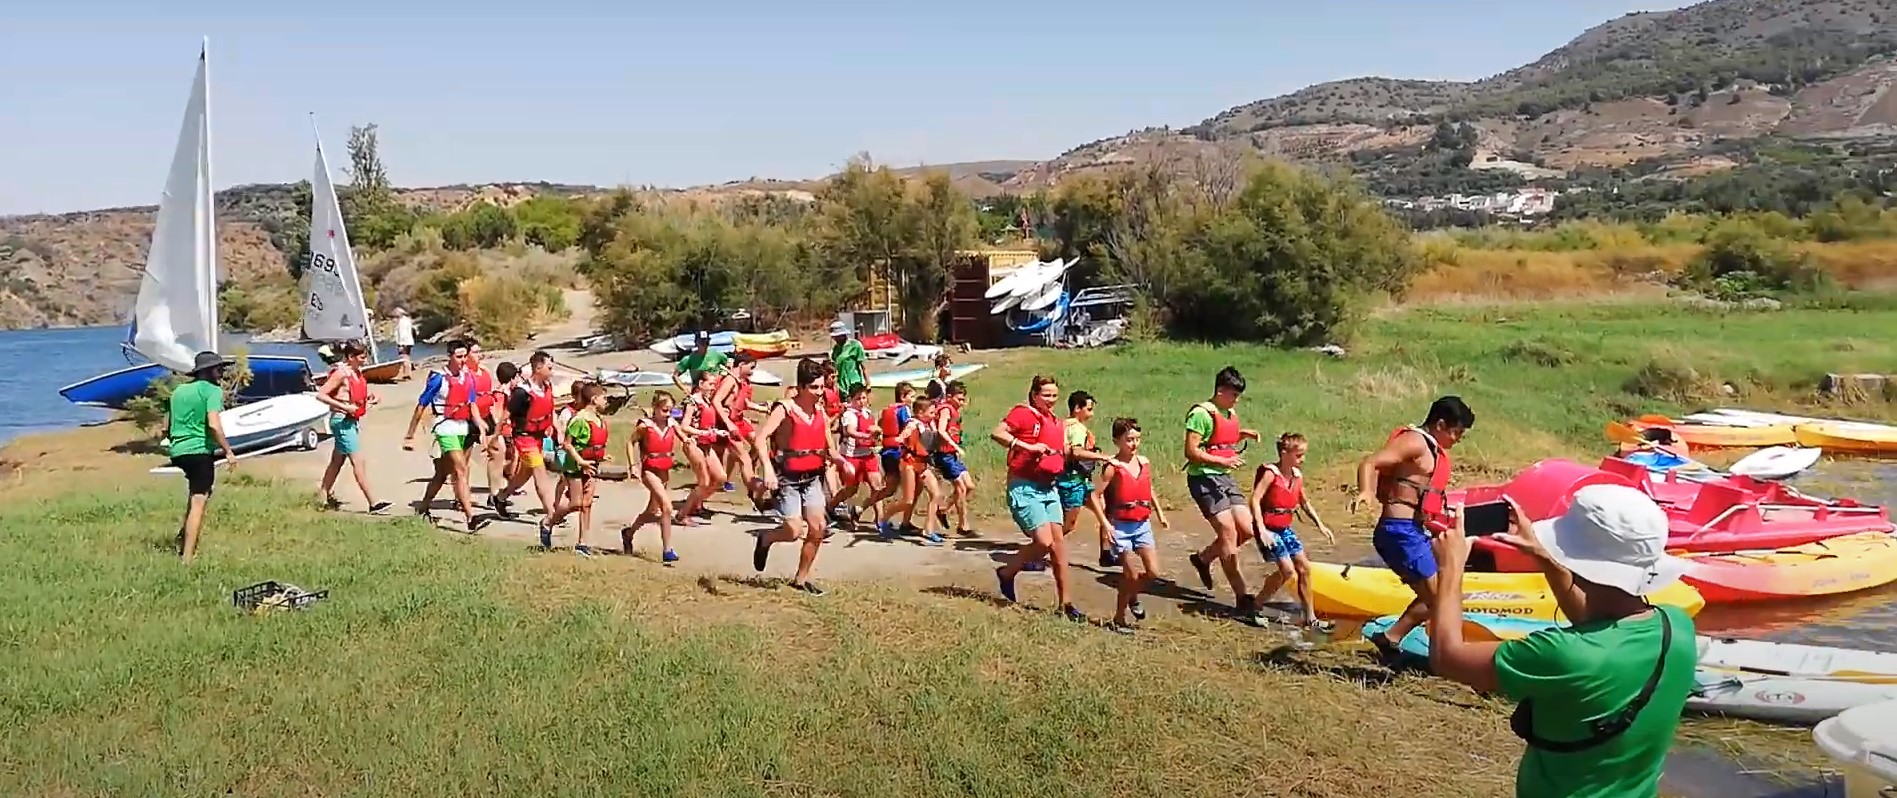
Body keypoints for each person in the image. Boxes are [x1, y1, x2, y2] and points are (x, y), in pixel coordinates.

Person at [1427, 486, 1695, 798]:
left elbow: (1448, 656)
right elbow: (1595, 623)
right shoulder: (1677, 625)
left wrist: (1451, 570)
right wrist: (1544, 556)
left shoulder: (1563, 655)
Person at [1350, 395, 1476, 659]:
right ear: (1440, 424)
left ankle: (1390, 637)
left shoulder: (1431, 450)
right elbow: (1370, 462)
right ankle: (1450, 658)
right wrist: (1366, 491)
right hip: (1399, 531)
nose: (1457, 440)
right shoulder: (1414, 442)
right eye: (1456, 433)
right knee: (1441, 597)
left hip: (1415, 532)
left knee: (1444, 594)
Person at [992, 374, 1085, 623]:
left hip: (1049, 489)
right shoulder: (1023, 413)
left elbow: (1063, 450)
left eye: (1054, 395)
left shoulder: (1055, 421)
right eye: (1046, 395)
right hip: (1024, 487)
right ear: (1034, 394)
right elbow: (998, 433)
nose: (1051, 400)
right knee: (1043, 542)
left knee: (1058, 547)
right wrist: (1027, 447)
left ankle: (1066, 604)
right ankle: (1007, 572)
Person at [752, 358, 849, 595]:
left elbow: (830, 447)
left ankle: (801, 580)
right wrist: (767, 468)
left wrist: (841, 461)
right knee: (794, 530)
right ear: (802, 387)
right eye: (814, 388)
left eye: (822, 387)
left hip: (812, 477)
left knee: (818, 528)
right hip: (787, 478)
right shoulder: (784, 409)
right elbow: (760, 438)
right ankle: (766, 539)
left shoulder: (820, 412)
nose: (820, 392)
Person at [1182, 366, 1264, 623]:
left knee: (1247, 529)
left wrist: (1243, 433)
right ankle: (1243, 597)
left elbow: (1220, 438)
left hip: (1224, 477)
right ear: (1220, 391)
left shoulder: (1228, 412)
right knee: (1228, 534)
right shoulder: (1199, 414)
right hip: (1204, 478)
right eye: (1233, 394)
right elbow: (1191, 452)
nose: (1236, 400)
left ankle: (1204, 558)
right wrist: (1222, 463)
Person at [1246, 433, 1336, 633]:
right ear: (1284, 453)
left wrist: (1320, 525)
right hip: (1269, 527)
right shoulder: (1271, 473)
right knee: (1287, 570)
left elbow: (1304, 502)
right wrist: (1261, 529)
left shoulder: (1296, 475)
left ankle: (1310, 618)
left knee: (1304, 568)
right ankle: (1256, 605)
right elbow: (1254, 499)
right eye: (1298, 455)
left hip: (1285, 528)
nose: (1302, 460)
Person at [403, 339, 491, 531]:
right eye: (458, 357)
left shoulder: (467, 377)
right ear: (450, 357)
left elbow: (472, 403)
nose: (462, 361)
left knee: (442, 474)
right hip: (444, 427)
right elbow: (422, 405)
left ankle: (423, 507)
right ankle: (471, 518)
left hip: (462, 427)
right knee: (461, 469)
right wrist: (410, 434)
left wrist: (481, 426)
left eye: (464, 357)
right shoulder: (439, 378)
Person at [1097, 417, 1166, 634]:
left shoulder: (1144, 462)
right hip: (1121, 526)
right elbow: (1094, 495)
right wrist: (1105, 523)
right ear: (1117, 441)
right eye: (1129, 439)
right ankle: (1119, 618)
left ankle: (1131, 594)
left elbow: (1148, 487)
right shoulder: (1112, 468)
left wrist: (1160, 512)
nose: (1134, 444)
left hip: (1142, 523)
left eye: (1137, 439)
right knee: (1131, 574)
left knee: (1153, 572)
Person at [168, 351, 239, 563]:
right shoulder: (212, 391)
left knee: (195, 494)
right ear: (208, 371)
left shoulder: (179, 391)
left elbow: (168, 423)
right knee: (200, 500)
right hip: (199, 451)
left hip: (178, 451)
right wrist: (228, 451)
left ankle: (183, 536)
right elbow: (213, 424)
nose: (222, 373)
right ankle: (187, 558)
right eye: (219, 369)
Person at [313, 340, 390, 514]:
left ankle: (322, 495)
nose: (365, 360)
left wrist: (371, 397)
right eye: (362, 357)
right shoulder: (340, 373)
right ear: (351, 357)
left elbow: (356, 393)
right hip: (341, 420)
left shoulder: (356, 372)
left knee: (336, 462)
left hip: (351, 421)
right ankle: (373, 502)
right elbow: (321, 395)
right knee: (358, 461)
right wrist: (345, 407)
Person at [498, 352, 562, 536]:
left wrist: (558, 431)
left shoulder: (547, 387)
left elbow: (551, 411)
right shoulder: (522, 392)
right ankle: (551, 512)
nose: (552, 371)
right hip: (524, 437)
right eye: (549, 368)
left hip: (540, 436)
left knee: (524, 475)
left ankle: (500, 497)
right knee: (540, 471)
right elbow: (506, 415)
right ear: (537, 368)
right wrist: (494, 436)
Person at [546, 383, 610, 556]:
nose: (607, 402)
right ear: (594, 399)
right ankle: (548, 522)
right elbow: (567, 444)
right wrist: (581, 461)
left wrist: (600, 457)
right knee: (576, 503)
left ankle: (582, 543)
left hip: (591, 465)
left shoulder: (600, 420)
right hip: (575, 466)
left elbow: (592, 443)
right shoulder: (579, 419)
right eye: (604, 398)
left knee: (587, 504)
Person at [1056, 390, 1116, 568]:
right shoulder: (1076, 428)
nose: (1092, 414)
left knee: (1105, 511)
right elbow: (1076, 452)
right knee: (1068, 525)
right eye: (1088, 409)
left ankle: (1106, 553)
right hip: (1072, 481)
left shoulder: (1065, 425)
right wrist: (1102, 457)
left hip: (1081, 481)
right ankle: (1037, 552)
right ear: (1077, 408)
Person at [622, 390, 681, 564]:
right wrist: (633, 465)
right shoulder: (645, 426)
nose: (667, 414)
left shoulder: (672, 424)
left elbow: (684, 435)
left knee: (651, 512)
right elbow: (630, 443)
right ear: (655, 408)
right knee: (667, 508)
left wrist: (689, 440)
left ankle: (629, 533)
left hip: (664, 472)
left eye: (670, 410)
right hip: (649, 470)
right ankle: (667, 550)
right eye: (664, 410)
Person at [827, 383, 883, 528]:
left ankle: (880, 520)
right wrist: (867, 435)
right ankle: (830, 507)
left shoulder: (868, 413)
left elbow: (875, 430)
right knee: (851, 490)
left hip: (868, 455)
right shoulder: (849, 414)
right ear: (852, 399)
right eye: (858, 398)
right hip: (851, 456)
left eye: (864, 397)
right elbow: (849, 431)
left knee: (877, 487)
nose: (862, 401)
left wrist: (877, 434)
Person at [676, 371, 728, 524]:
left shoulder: (707, 401)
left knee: (720, 478)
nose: (713, 388)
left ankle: (694, 502)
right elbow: (684, 426)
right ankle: (682, 515)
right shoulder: (692, 402)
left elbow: (707, 424)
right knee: (704, 481)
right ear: (700, 384)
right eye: (711, 384)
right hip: (693, 443)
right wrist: (702, 432)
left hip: (706, 443)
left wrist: (716, 432)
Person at [867, 382, 917, 539]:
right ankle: (885, 519)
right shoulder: (903, 410)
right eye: (911, 396)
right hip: (896, 453)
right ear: (903, 397)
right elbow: (909, 428)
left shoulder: (888, 410)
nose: (913, 399)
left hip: (887, 452)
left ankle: (863, 509)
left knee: (890, 489)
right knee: (901, 491)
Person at [933, 380, 975, 536]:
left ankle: (943, 509)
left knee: (969, 486)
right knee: (961, 488)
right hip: (944, 454)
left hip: (952, 455)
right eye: (959, 399)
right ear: (949, 396)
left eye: (964, 399)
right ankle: (964, 526)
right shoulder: (946, 410)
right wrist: (956, 446)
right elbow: (941, 430)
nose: (962, 403)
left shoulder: (955, 410)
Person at [467, 343, 508, 498]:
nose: (479, 354)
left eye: (480, 351)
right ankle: (463, 497)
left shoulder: (485, 371)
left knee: (498, 450)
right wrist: (478, 422)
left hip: (487, 414)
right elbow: (470, 401)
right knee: (464, 460)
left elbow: (489, 396)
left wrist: (495, 417)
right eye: (475, 352)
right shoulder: (466, 375)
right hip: (470, 417)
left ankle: (495, 493)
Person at [828, 320, 869, 397]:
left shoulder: (855, 346)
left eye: (837, 337)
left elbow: (863, 366)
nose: (835, 339)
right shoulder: (836, 349)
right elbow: (834, 368)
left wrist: (868, 383)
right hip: (841, 386)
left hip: (854, 383)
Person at [392, 307, 415, 380]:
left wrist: (401, 344)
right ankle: (408, 372)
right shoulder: (408, 321)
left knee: (404, 358)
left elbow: (402, 333)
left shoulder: (402, 322)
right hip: (409, 341)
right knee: (407, 357)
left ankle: (406, 373)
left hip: (404, 342)